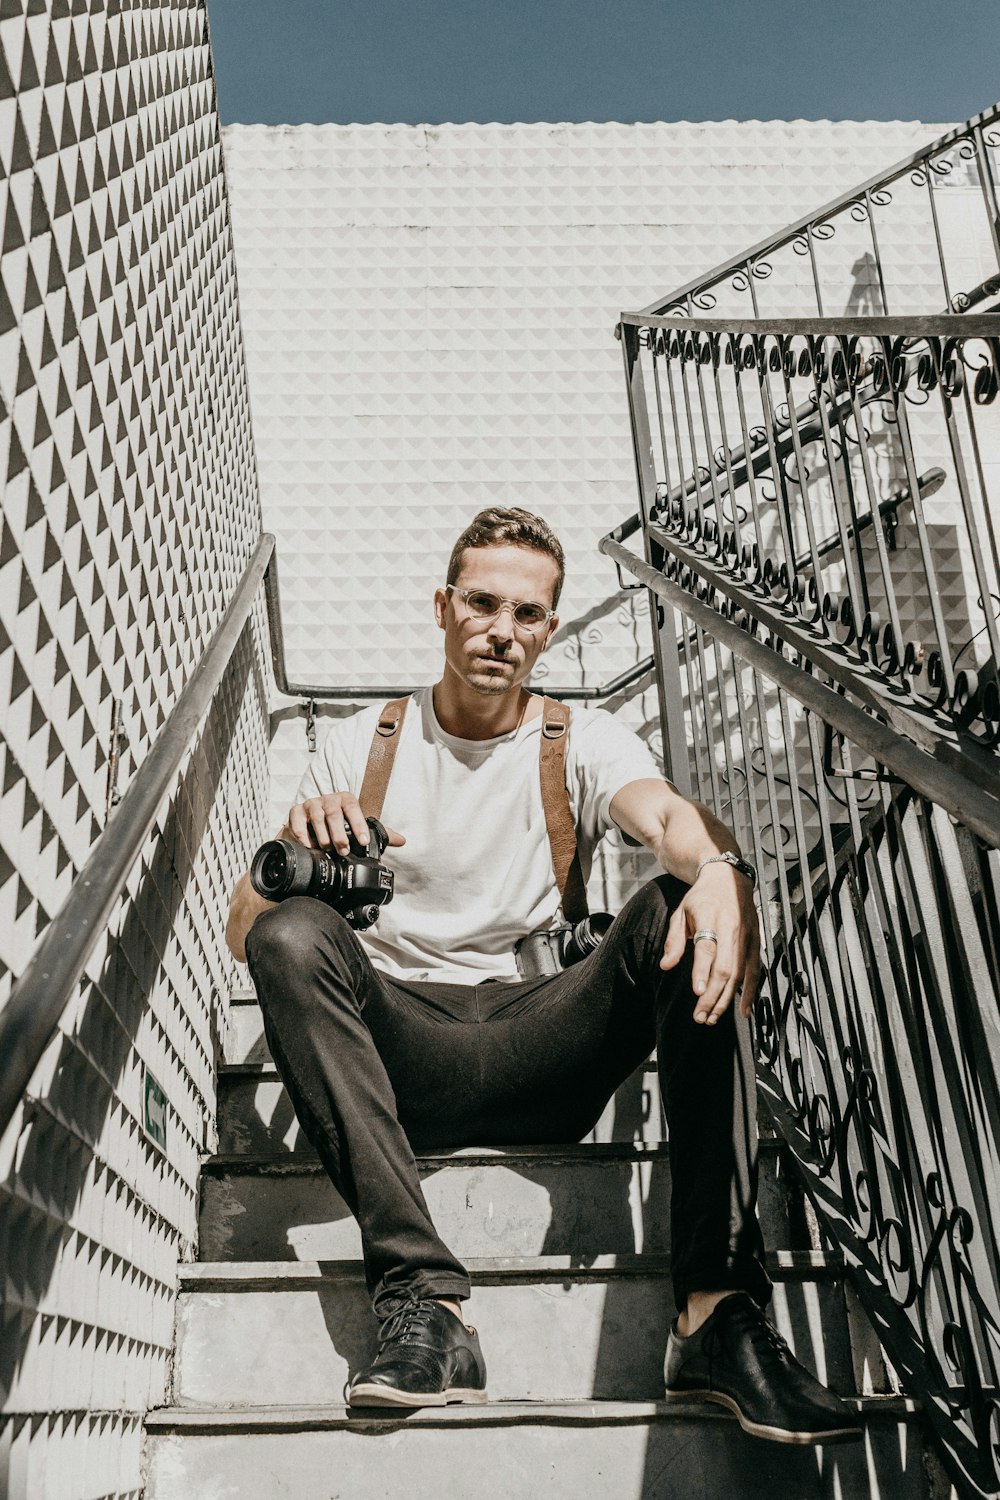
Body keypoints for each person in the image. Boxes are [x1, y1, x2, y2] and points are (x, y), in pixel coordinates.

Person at [226, 507, 861, 1444]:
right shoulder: (360, 742)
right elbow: (247, 932)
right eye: (482, 604)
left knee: (677, 903)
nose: (502, 631)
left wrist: (722, 872)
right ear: (444, 608)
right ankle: (426, 1301)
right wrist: (291, 843)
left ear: (550, 630)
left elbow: (667, 818)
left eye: (527, 614)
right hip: (407, 1058)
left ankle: (716, 1314)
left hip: (541, 1045)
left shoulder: (582, 740)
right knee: (289, 937)